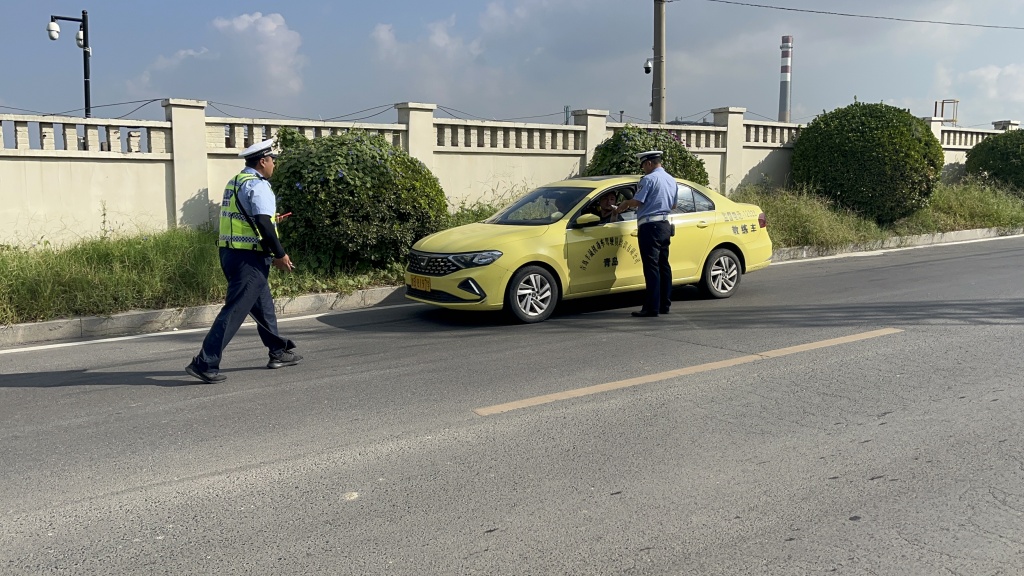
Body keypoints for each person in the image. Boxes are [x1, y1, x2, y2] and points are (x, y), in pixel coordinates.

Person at [185, 139, 303, 383]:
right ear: (263, 161)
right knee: (235, 310)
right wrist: (280, 254)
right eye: (272, 161)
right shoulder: (259, 186)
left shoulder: (236, 181)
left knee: (264, 306)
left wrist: (271, 221)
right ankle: (205, 362)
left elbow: (247, 218)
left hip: (231, 253)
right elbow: (263, 223)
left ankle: (278, 352)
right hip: (249, 259)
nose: (274, 165)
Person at [614, 151, 678, 317]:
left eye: (643, 165)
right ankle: (664, 304)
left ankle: (651, 307)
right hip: (664, 225)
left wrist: (625, 203)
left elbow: (637, 201)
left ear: (649, 163)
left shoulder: (648, 179)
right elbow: (674, 205)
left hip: (650, 226)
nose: (643, 169)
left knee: (651, 267)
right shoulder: (671, 179)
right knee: (663, 265)